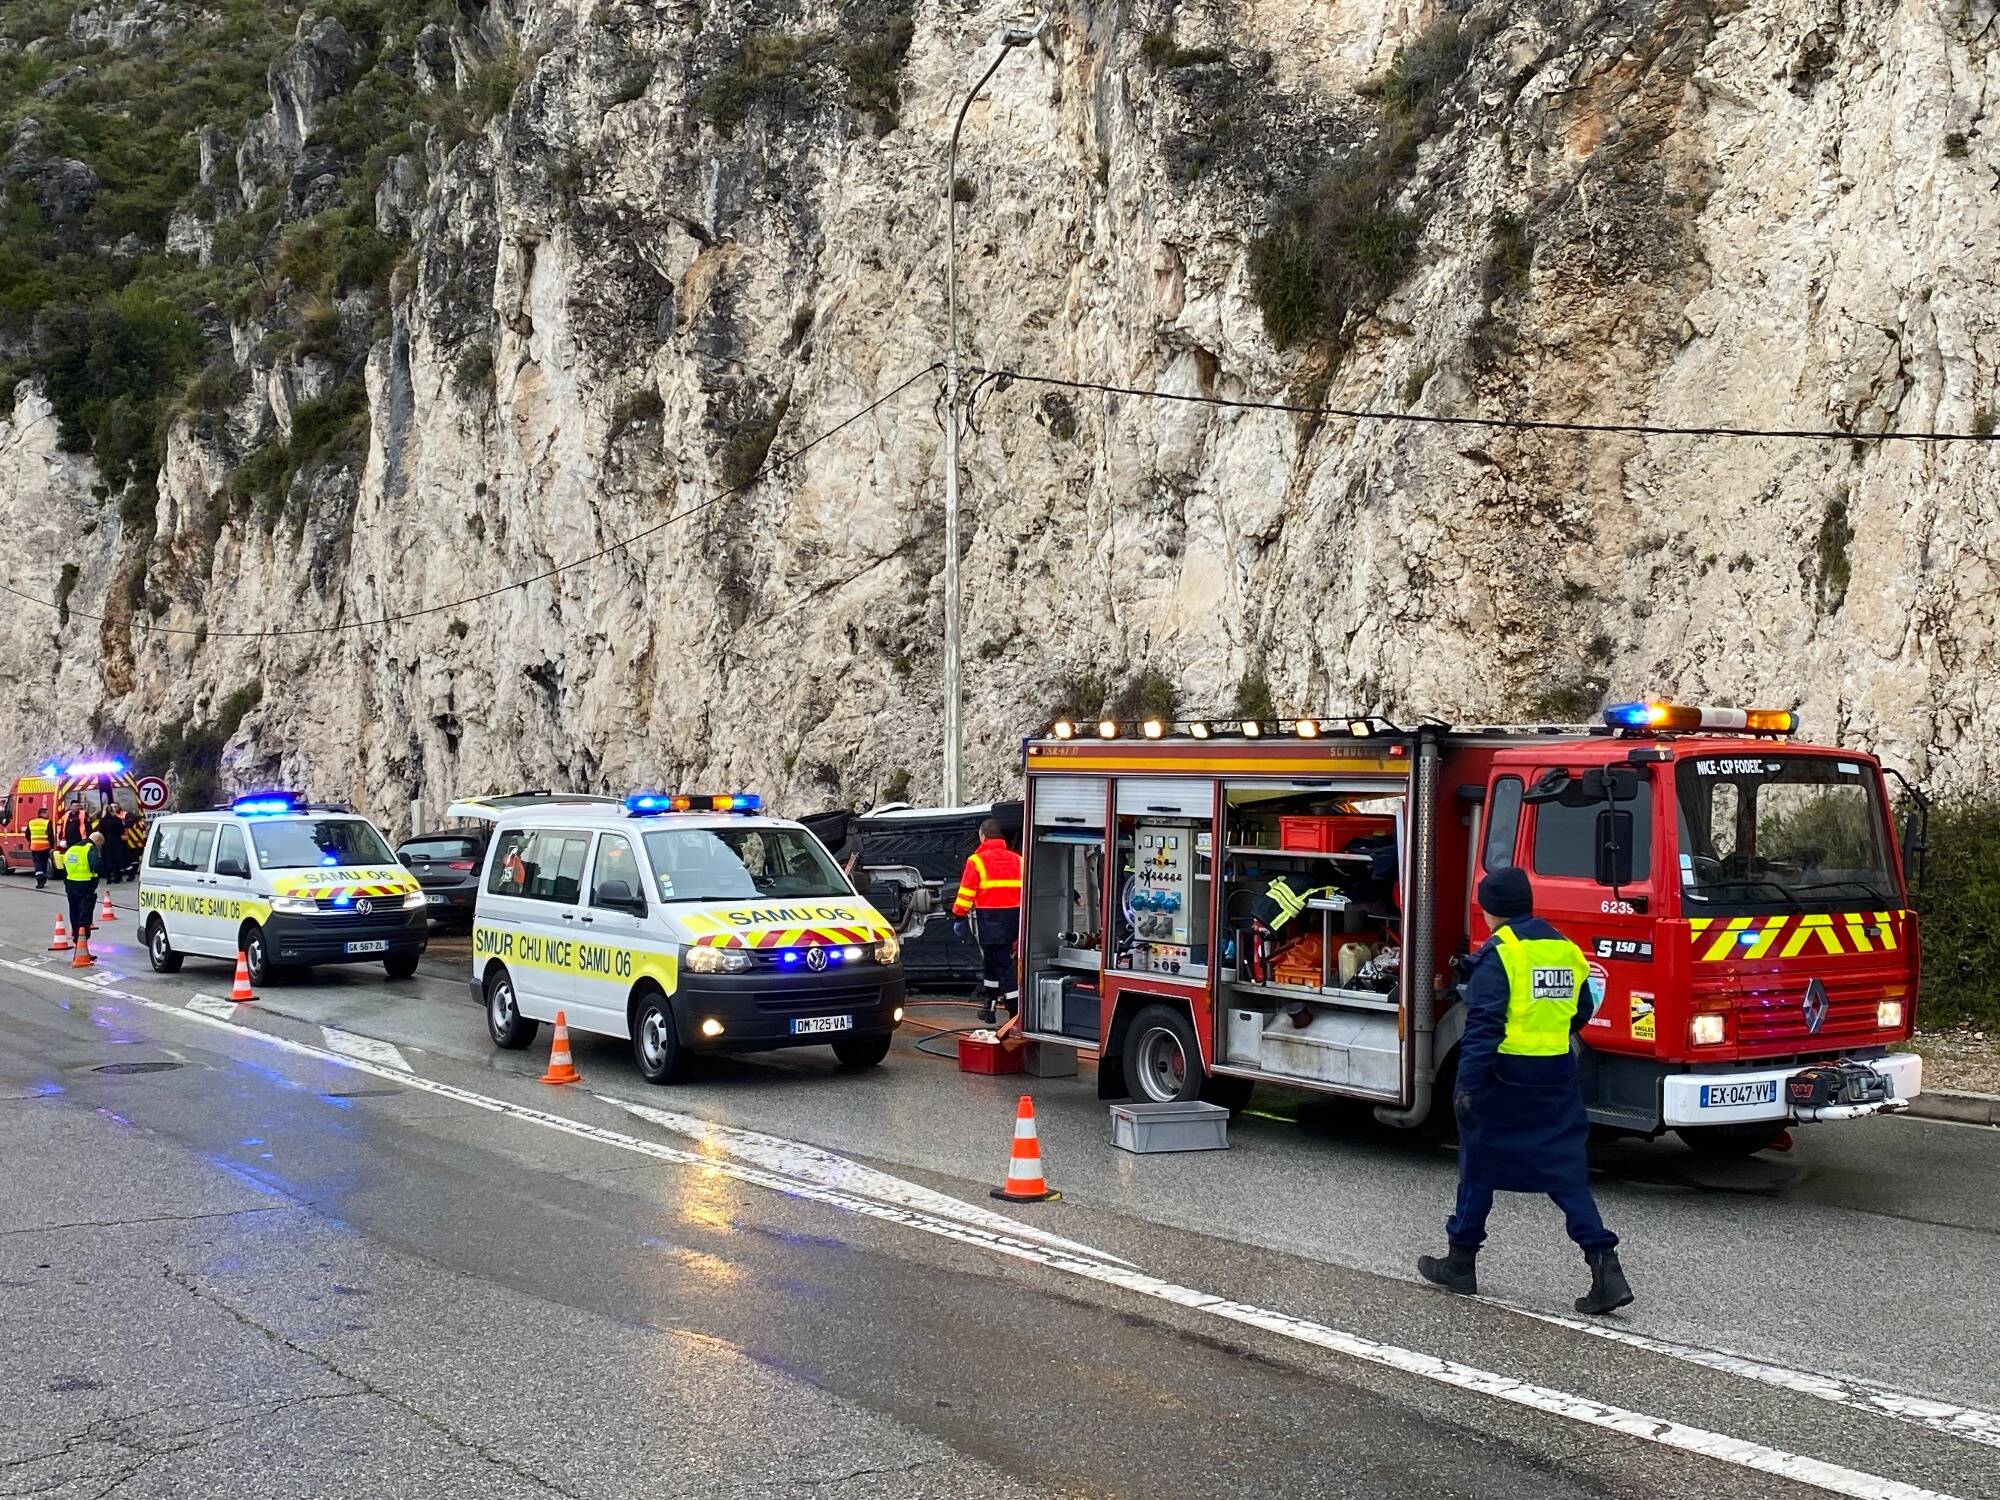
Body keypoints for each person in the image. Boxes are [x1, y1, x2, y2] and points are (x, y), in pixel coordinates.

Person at [1418, 865, 1633, 1316]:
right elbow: (1582, 1010)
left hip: (1504, 1077)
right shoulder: (1564, 948)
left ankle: (1460, 1263)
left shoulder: (1501, 953)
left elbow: (1483, 1026)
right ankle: (1605, 1268)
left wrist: (1466, 1086)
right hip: (1556, 1075)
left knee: (1479, 1164)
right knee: (1565, 1170)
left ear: (1490, 909)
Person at [952, 818, 1022, 1025]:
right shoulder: (1018, 860)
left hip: (991, 919)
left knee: (1002, 964)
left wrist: (959, 916)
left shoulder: (976, 861)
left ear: (982, 836)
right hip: (1015, 918)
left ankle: (1015, 1010)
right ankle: (989, 1005)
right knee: (991, 961)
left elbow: (966, 893)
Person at [62, 830, 105, 969]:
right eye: (101, 846)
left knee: (74, 915)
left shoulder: (72, 848)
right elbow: (96, 866)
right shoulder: (91, 849)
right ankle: (82, 948)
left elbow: (65, 866)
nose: (100, 848)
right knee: (84, 918)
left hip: (71, 886)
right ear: (97, 841)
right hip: (85, 887)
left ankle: (77, 944)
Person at [26, 806, 53, 889]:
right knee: (44, 864)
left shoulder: (31, 822)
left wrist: (32, 841)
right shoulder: (47, 822)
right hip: (45, 847)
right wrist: (52, 845)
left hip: (34, 847)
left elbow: (27, 834)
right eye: (47, 813)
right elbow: (50, 835)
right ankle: (43, 880)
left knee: (38, 864)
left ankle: (39, 881)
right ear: (42, 814)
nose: (48, 815)